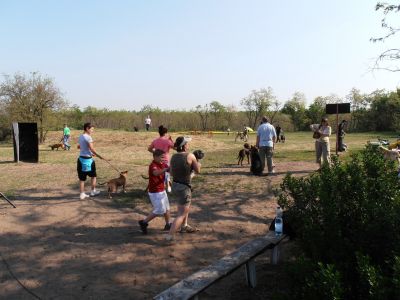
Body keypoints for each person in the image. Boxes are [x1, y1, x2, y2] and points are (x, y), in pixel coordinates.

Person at [165, 136, 201, 242]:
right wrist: (198, 164)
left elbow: (171, 172)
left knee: (184, 207)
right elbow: (197, 170)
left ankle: (184, 226)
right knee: (181, 214)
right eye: (187, 143)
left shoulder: (174, 157)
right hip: (184, 188)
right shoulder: (190, 156)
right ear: (184, 145)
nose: (188, 145)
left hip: (175, 186)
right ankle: (170, 235)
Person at [138, 149, 172, 234]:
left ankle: (168, 224)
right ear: (155, 157)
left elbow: (169, 172)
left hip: (162, 190)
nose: (163, 158)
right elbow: (156, 173)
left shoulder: (163, 164)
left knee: (167, 208)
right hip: (155, 192)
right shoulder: (153, 165)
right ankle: (144, 222)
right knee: (159, 210)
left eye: (164, 157)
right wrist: (166, 169)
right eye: (161, 157)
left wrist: (172, 169)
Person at [77, 123, 104, 200]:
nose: (92, 131)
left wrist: (89, 152)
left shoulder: (80, 136)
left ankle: (82, 194)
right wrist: (99, 156)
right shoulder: (89, 137)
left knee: (82, 178)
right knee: (93, 176)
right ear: (87, 128)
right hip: (88, 160)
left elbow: (79, 146)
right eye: (91, 129)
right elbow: (92, 149)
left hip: (81, 159)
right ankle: (93, 191)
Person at [148, 125, 175, 191]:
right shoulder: (167, 141)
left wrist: (155, 153)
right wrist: (172, 141)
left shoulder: (155, 141)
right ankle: (168, 186)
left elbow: (149, 149)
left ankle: (163, 185)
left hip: (157, 160)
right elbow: (176, 148)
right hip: (165, 159)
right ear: (165, 133)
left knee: (159, 173)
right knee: (167, 172)